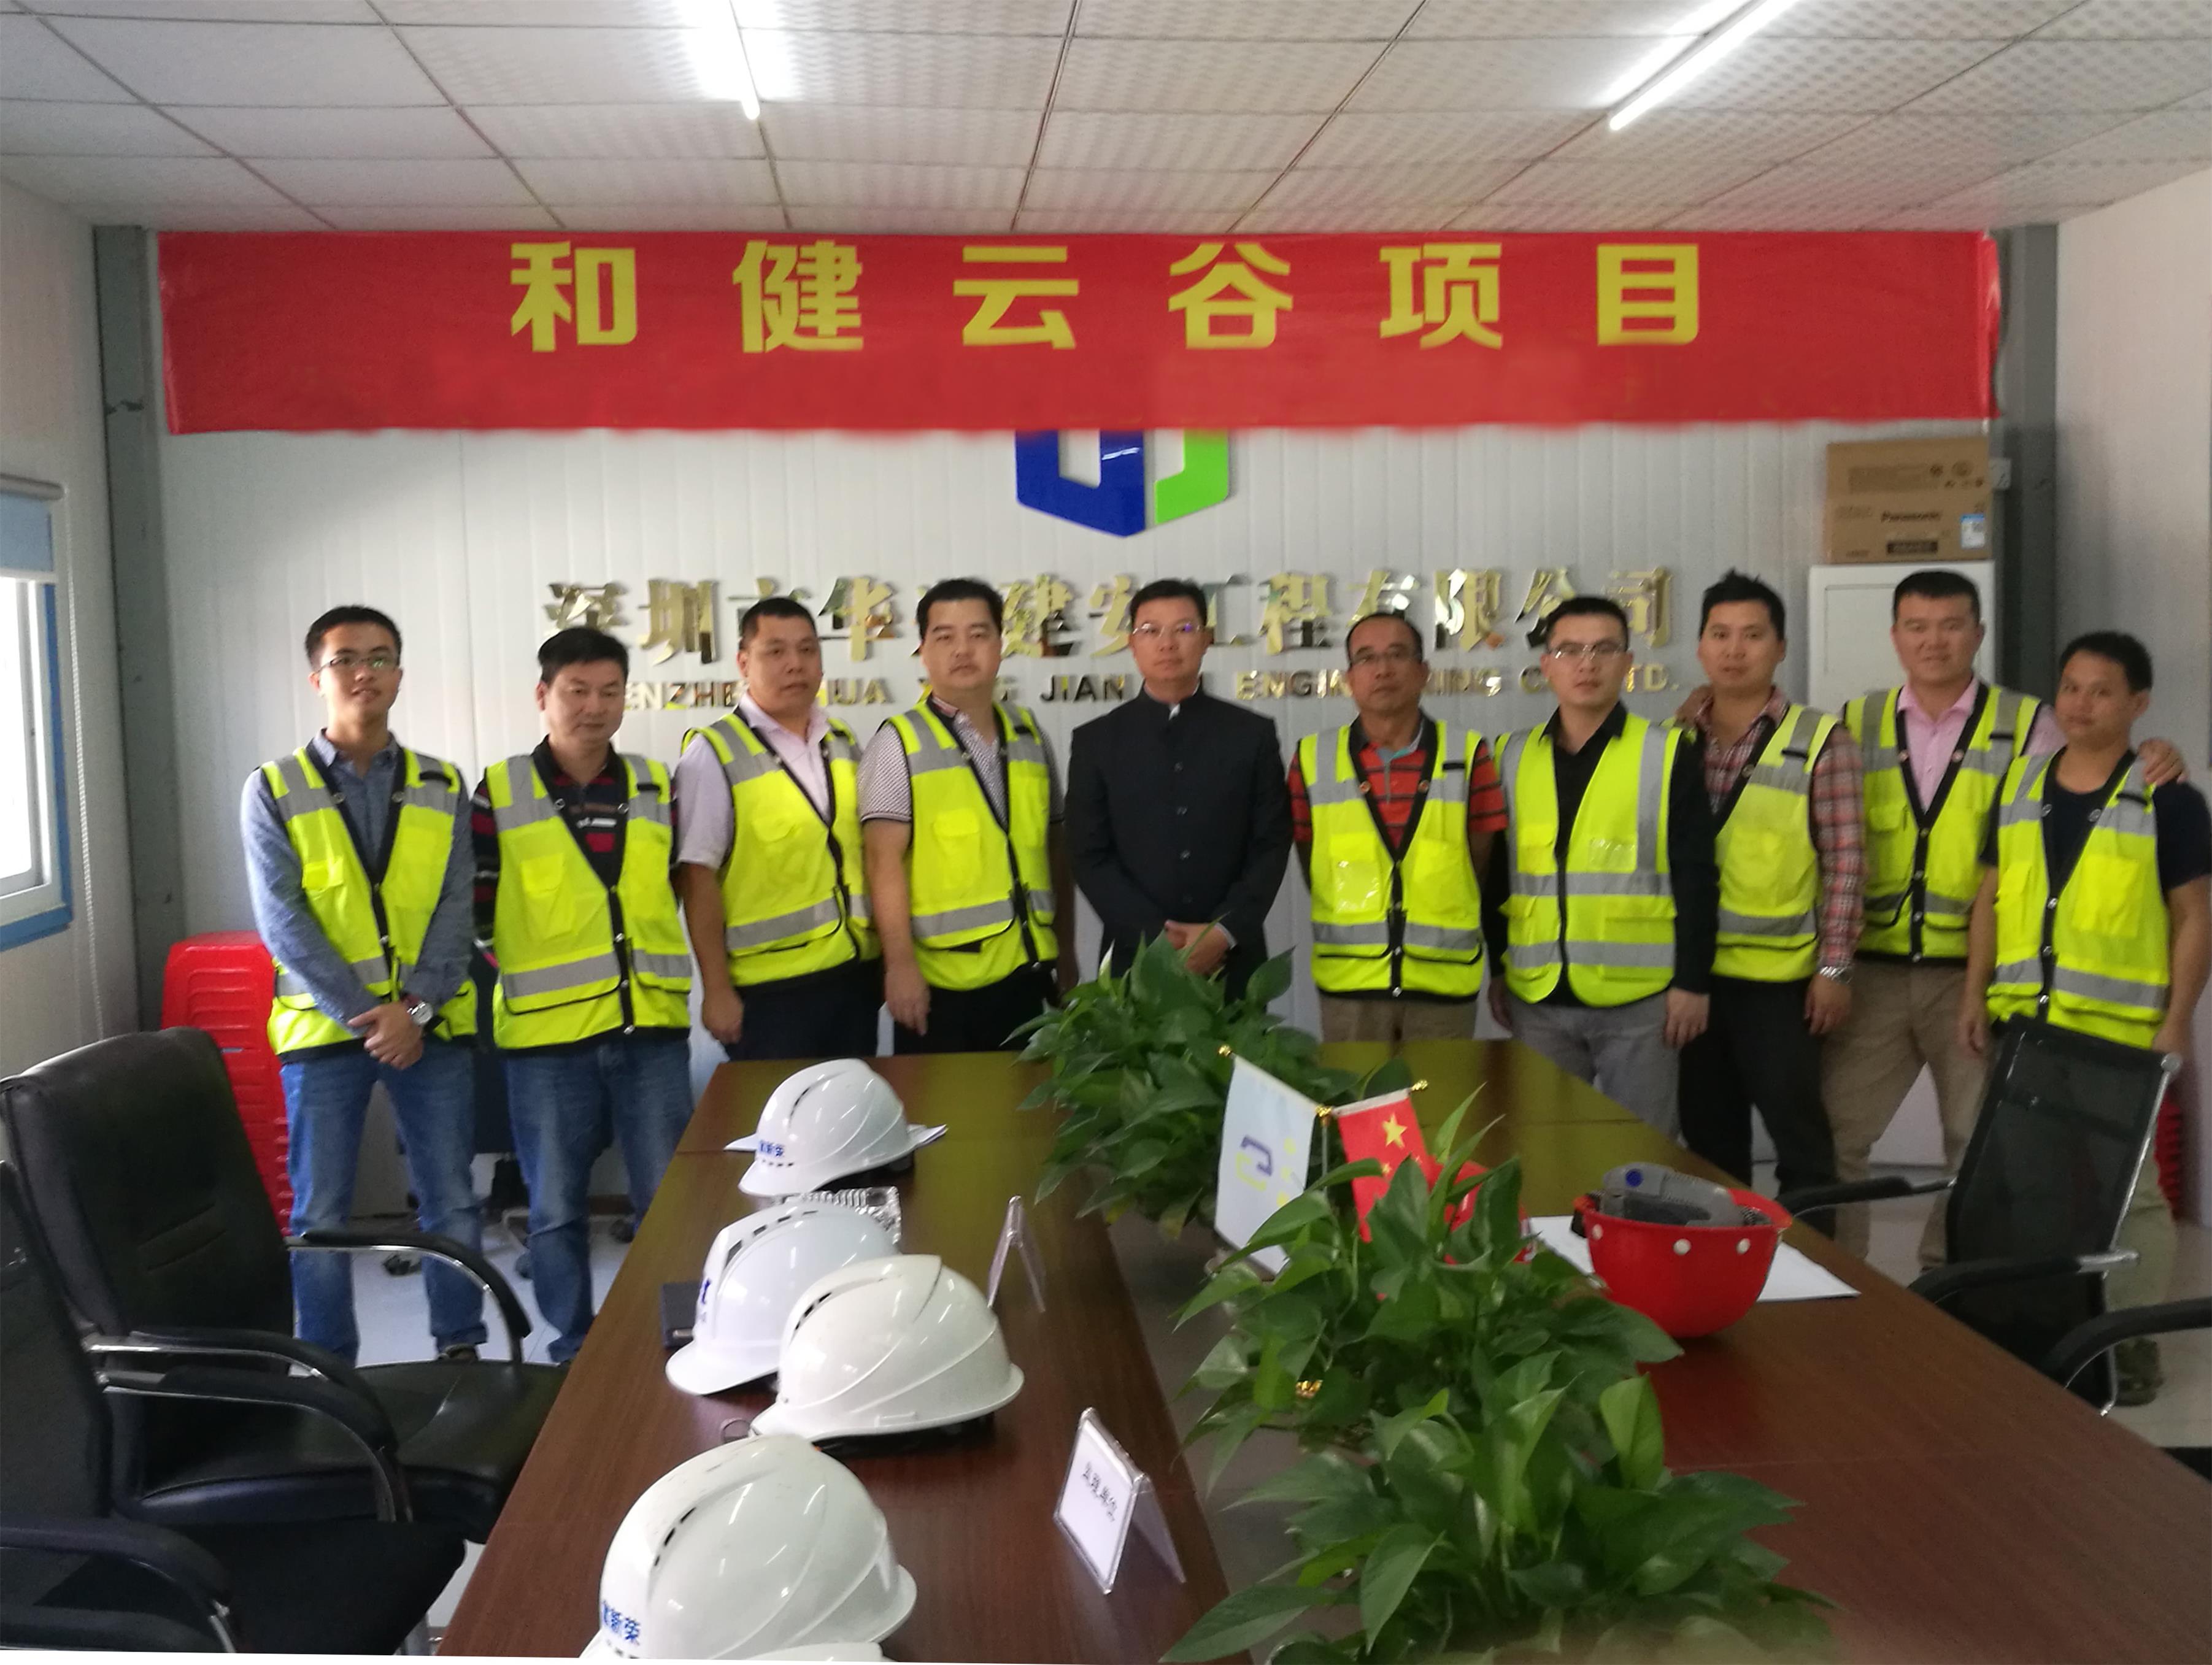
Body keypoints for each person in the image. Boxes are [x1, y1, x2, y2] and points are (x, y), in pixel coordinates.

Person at [1821, 569, 2186, 1259]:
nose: (1933, 641)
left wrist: (2157, 753)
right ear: (1895, 636)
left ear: (1978, 633)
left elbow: (2093, 769)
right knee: (1837, 1131)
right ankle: (1844, 1278)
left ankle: (1946, 1279)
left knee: (1975, 1141)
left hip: (1975, 975)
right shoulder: (1855, 719)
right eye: (1916, 626)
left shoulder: (2030, 722)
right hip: (1874, 970)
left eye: (1951, 625)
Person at [1959, 631, 2209, 1404]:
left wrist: (2177, 1019)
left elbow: (2193, 916)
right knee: (2030, 1191)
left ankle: (2127, 1350)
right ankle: (2048, 1336)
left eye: (2101, 691)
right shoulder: (2019, 783)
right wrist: (1972, 994)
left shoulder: (2167, 796)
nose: (2080, 703)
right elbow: (1989, 898)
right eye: (2069, 686)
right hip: (2025, 1026)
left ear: (2137, 703)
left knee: (2128, 1196)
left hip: (2117, 1034)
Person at [241, 604, 485, 1363]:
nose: (364, 672)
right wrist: (368, 1013)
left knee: (451, 1200)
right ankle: (328, 1365)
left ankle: (460, 1347)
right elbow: (283, 918)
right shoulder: (273, 786)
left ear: (399, 675)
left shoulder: (442, 782)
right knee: (320, 1213)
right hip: (324, 1031)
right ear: (317, 677)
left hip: (429, 1028)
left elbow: (457, 904)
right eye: (346, 658)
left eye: (380, 658)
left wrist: (415, 1009)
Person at [473, 627, 693, 1363]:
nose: (594, 706)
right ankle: (573, 1347)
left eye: (609, 691)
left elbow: (670, 889)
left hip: (651, 1030)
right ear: (543, 695)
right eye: (576, 691)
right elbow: (476, 910)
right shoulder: (500, 790)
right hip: (546, 1043)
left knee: (668, 1203)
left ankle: (678, 1340)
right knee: (556, 1209)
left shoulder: (655, 785)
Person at [1483, 596, 1716, 1136]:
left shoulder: (1667, 754)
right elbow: (1497, 877)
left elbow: (1696, 876)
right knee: (1544, 1143)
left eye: (1603, 649)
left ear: (1626, 662)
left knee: (1642, 1148)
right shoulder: (1509, 756)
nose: (1586, 664)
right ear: (1547, 665)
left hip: (1640, 1000)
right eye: (1570, 650)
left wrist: (1692, 982)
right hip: (1537, 994)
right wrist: (1497, 967)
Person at [1670, 572, 1857, 1206]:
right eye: (1719, 634)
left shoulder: (1819, 739)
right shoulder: (1671, 739)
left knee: (1801, 1146)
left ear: (1780, 647)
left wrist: (1834, 968)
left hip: (1781, 988)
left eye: (1752, 635)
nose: (1734, 649)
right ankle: (1721, 1261)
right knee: (1707, 1146)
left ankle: (1808, 1264)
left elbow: (1846, 862)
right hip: (1693, 981)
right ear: (1700, 646)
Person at [859, 579, 1074, 1053]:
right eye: (944, 637)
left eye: (978, 634)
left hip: (1028, 975)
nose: (962, 650)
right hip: (942, 987)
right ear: (922, 650)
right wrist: (899, 967)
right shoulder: (898, 742)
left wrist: (1068, 951)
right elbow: (881, 861)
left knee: (1029, 1101)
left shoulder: (1029, 734)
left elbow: (1055, 849)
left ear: (1000, 644)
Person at [674, 597, 880, 1061]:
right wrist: (716, 990)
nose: (795, 665)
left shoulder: (841, 741)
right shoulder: (713, 754)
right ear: (744, 663)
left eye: (807, 650)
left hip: (853, 978)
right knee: (780, 1110)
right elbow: (697, 878)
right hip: (770, 995)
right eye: (776, 651)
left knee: (851, 1104)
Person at [1066, 578, 1290, 1000]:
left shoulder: (1251, 735)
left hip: (1232, 959)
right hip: (1135, 961)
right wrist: (1155, 938)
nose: (1167, 644)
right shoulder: (1096, 742)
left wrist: (1222, 932)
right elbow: (1088, 853)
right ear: (1132, 644)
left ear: (1206, 639)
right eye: (1151, 630)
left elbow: (1271, 842)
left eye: (1184, 629)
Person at [1290, 610, 1506, 1043]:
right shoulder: (1313, 759)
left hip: (1442, 982)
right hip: (1350, 985)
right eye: (1366, 658)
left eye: (1397, 655)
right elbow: (1312, 859)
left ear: (1423, 671)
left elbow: (1481, 864)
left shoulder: (1468, 754)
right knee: (1356, 1090)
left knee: (1441, 1090)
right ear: (1349, 678)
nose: (1383, 669)